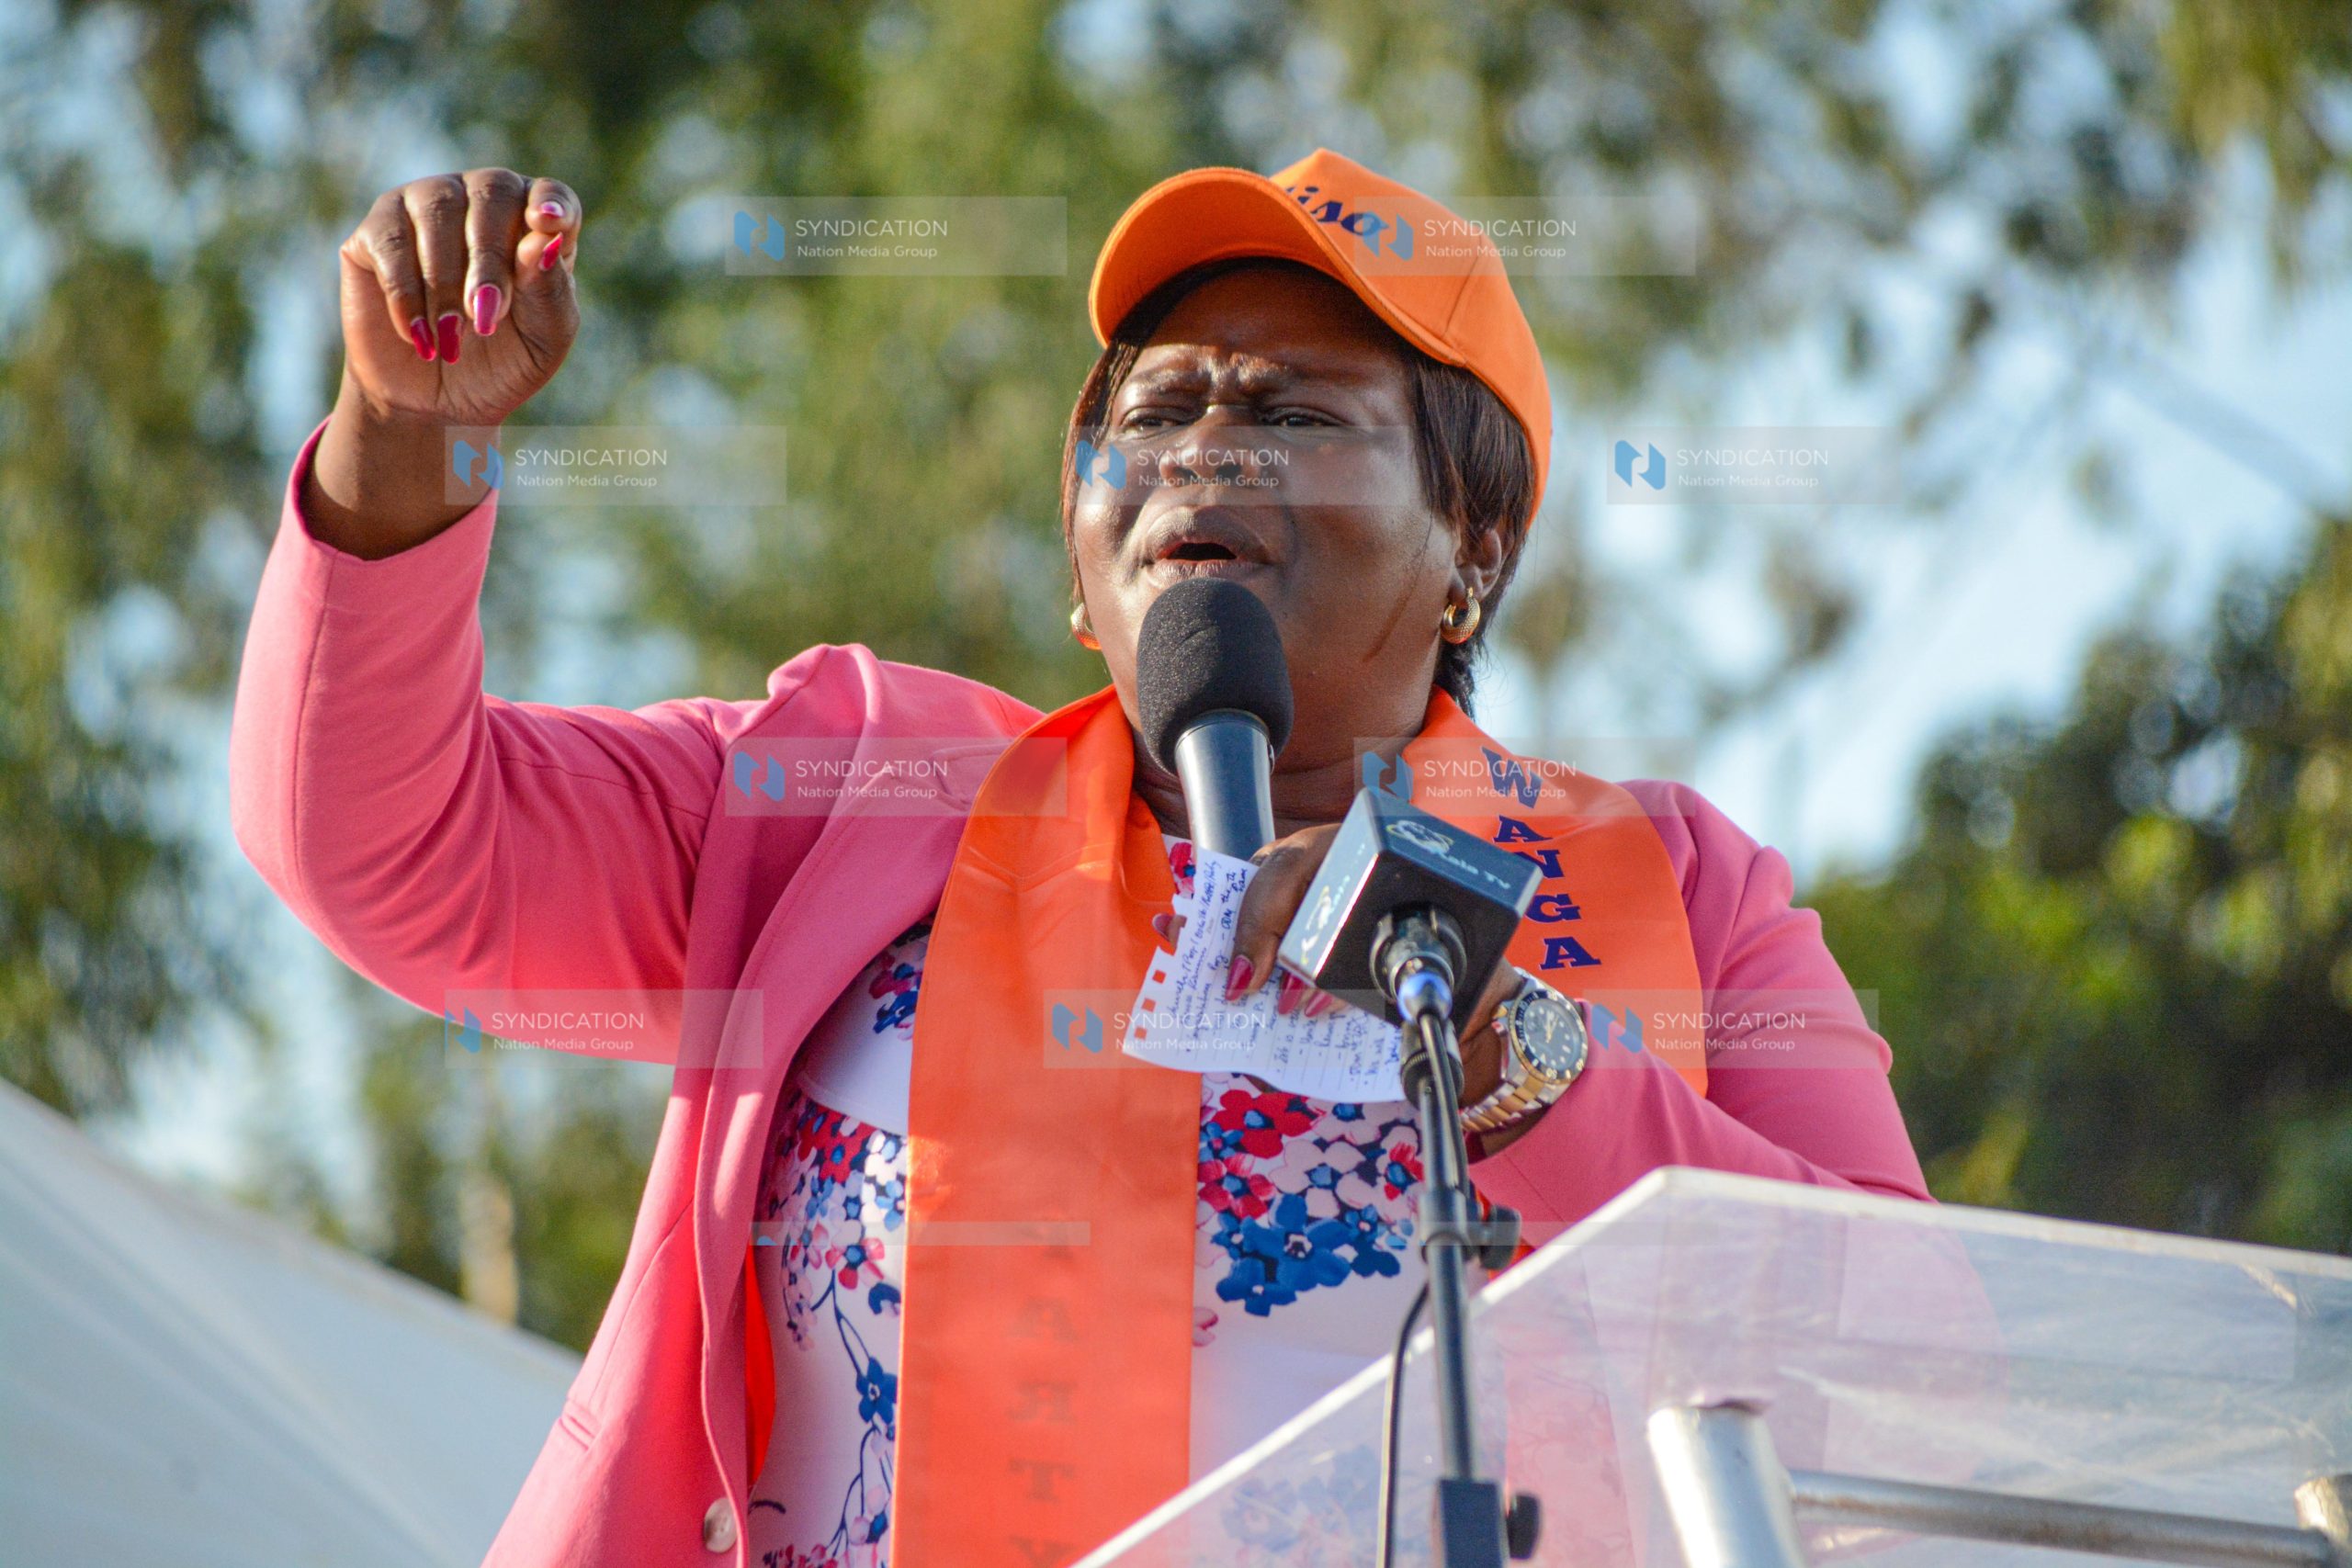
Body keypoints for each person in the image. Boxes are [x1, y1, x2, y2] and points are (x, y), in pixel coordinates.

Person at [230, 149, 1930, 1568]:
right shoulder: (856, 796)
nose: (1201, 445)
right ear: (1080, 546)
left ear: (1473, 544)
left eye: (1297, 411)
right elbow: (386, 844)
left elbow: (1927, 1361)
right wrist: (400, 443)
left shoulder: (1676, 891)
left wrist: (1508, 1056)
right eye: (1155, 409)